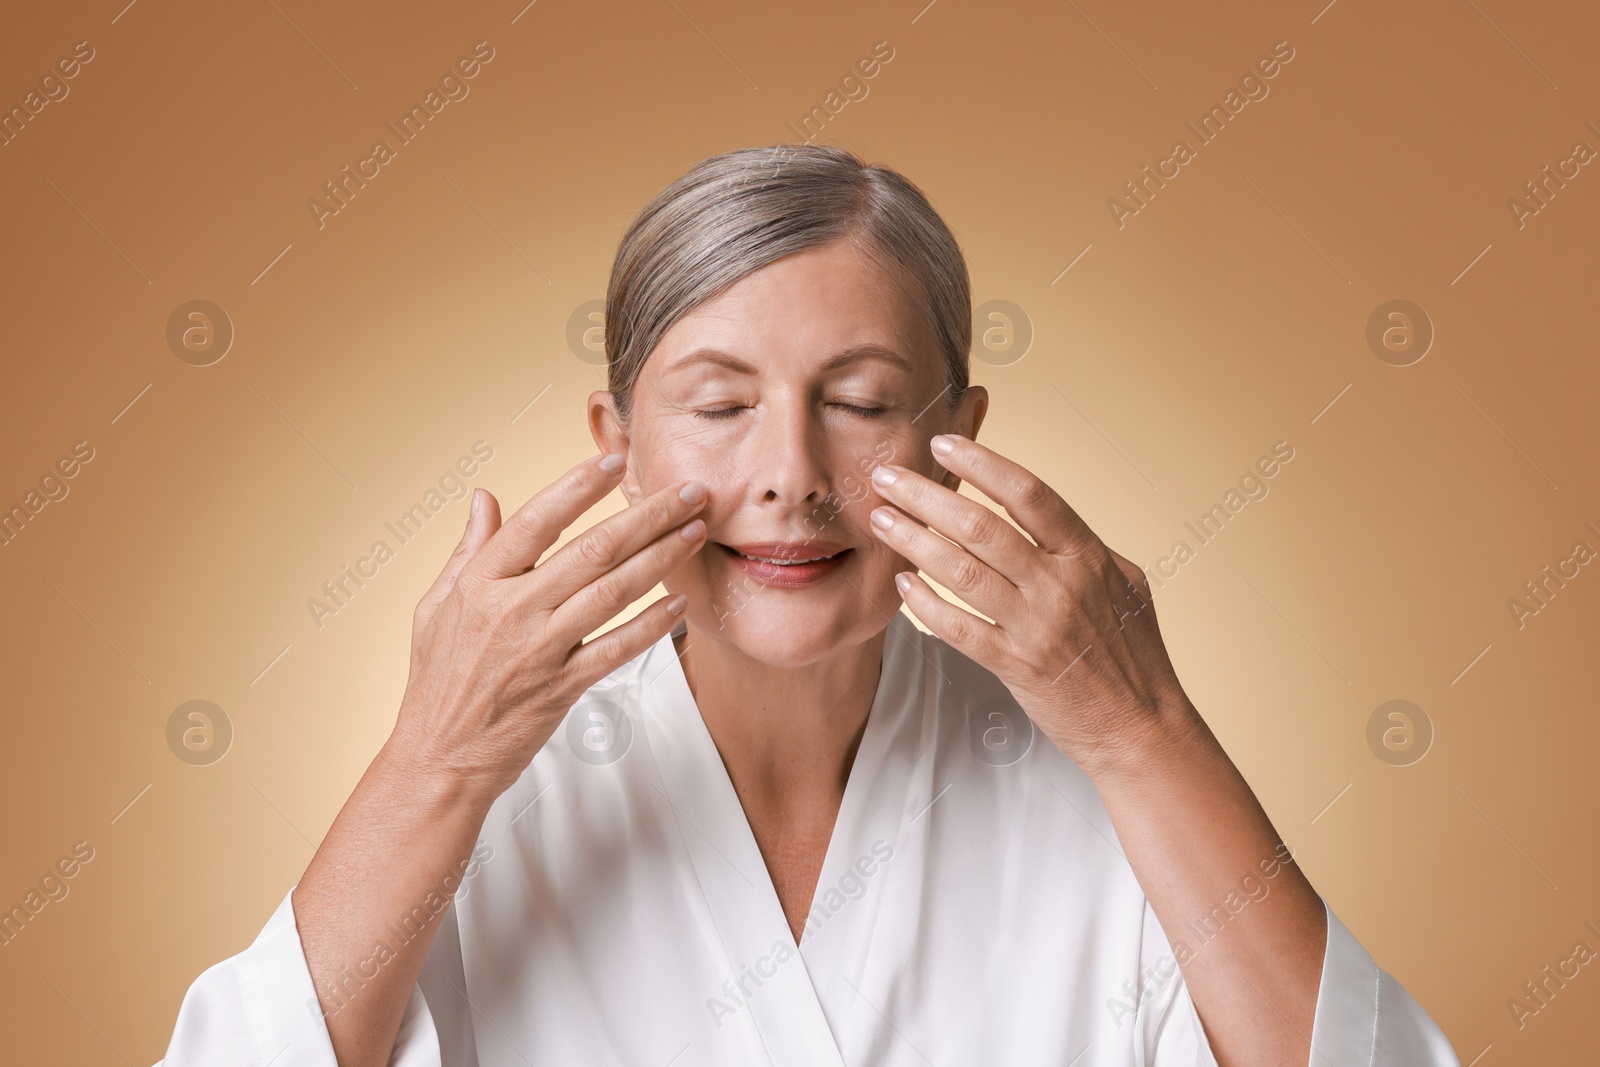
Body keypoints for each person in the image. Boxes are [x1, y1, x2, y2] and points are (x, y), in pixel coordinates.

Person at [156, 144, 1458, 1067]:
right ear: (616, 441)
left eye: (862, 403)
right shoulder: (495, 807)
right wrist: (428, 764)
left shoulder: (1102, 794)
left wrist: (1148, 728)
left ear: (961, 432)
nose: (789, 477)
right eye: (720, 408)